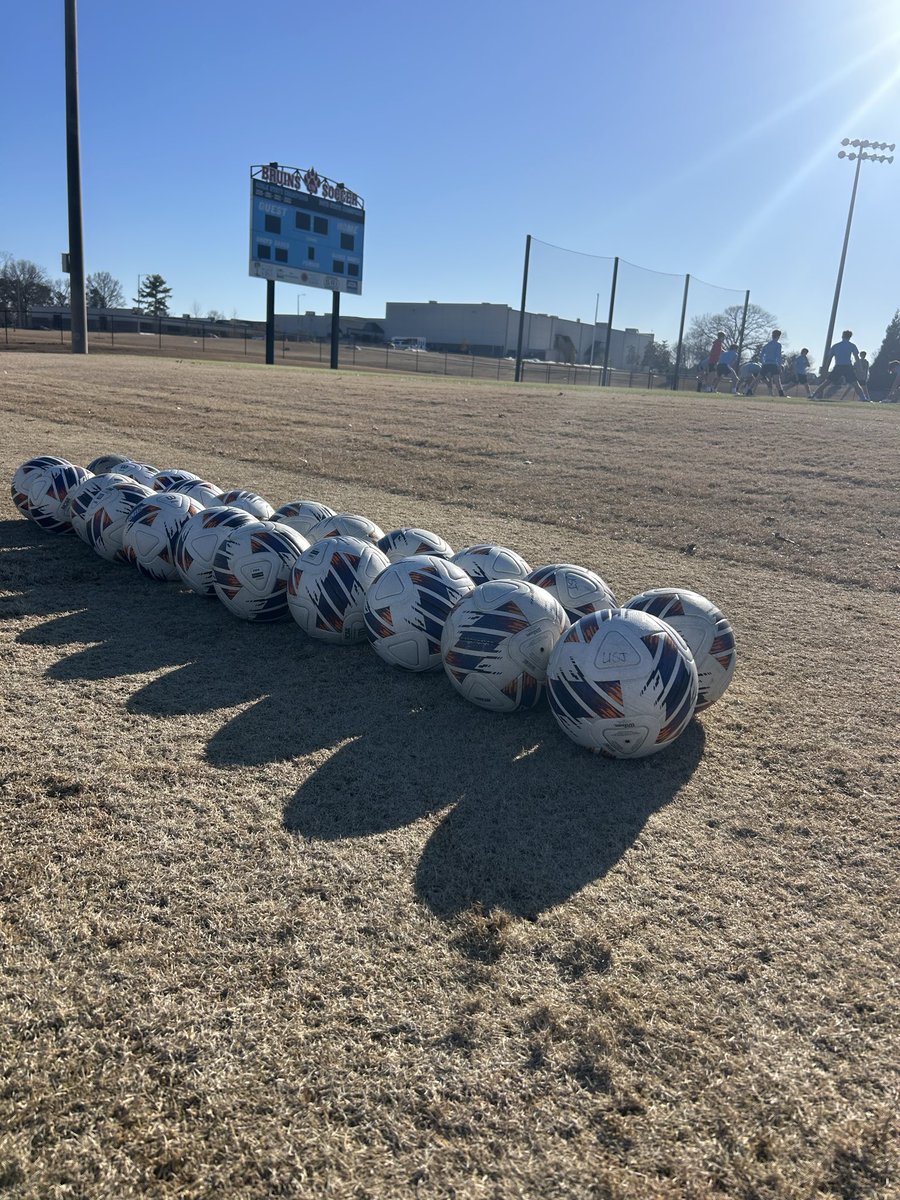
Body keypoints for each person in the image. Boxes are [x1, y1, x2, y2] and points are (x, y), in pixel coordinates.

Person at [810, 330, 865, 400]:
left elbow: (829, 358)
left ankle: (813, 395)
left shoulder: (836, 346)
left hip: (838, 366)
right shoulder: (852, 346)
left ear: (842, 336)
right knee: (855, 383)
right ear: (850, 337)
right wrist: (860, 369)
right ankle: (863, 398)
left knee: (827, 382)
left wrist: (826, 368)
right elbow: (857, 358)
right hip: (848, 367)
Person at [759, 330, 786, 396]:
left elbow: (761, 355)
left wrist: (763, 362)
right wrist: (779, 366)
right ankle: (781, 394)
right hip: (773, 364)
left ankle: (749, 390)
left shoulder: (767, 345)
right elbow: (779, 356)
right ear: (778, 336)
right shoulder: (778, 345)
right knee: (777, 380)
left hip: (766, 364)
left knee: (758, 378)